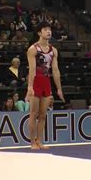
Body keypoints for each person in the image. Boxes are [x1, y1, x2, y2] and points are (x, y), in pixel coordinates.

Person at [26, 22, 64, 150]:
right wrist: (30, 87)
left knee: (43, 115)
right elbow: (31, 70)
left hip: (46, 82)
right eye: (45, 30)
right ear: (39, 33)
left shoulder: (54, 50)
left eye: (50, 30)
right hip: (36, 81)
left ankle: (40, 140)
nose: (49, 32)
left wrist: (59, 88)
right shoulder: (33, 49)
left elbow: (55, 70)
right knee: (33, 113)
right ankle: (32, 142)